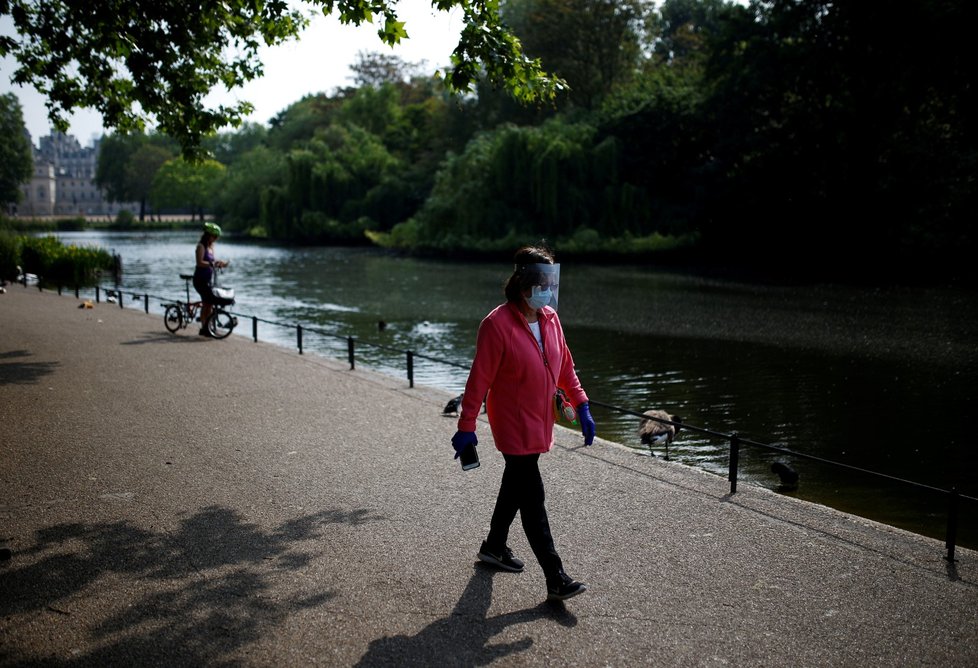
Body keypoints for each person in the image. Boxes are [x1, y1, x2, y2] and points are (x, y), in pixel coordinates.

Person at [451, 244, 597, 602]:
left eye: (550, 282)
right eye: (539, 282)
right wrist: (466, 425)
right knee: (532, 496)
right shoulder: (496, 324)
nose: (546, 290)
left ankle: (494, 546)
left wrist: (581, 404)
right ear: (521, 282)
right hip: (512, 423)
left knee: (515, 485)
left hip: (541, 419)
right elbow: (478, 380)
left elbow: (565, 368)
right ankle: (555, 576)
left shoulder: (550, 318)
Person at [193, 222, 229, 337]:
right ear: (208, 235)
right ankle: (204, 327)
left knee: (209, 304)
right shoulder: (201, 246)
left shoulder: (211, 247)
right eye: (214, 237)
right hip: (200, 279)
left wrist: (219, 263)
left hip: (209, 280)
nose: (215, 239)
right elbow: (199, 263)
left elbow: (211, 263)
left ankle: (208, 327)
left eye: (216, 238)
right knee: (207, 303)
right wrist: (212, 263)